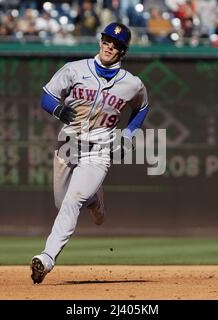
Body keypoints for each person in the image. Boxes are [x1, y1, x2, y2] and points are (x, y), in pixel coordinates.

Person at [30, 22, 150, 284]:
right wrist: (58, 110)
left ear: (123, 51)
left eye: (116, 44)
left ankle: (46, 258)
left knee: (72, 201)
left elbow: (141, 109)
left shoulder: (131, 84)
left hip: (99, 150)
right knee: (63, 204)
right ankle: (95, 199)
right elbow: (47, 97)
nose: (110, 46)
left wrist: (128, 134)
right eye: (107, 40)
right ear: (100, 41)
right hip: (67, 147)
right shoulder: (74, 69)